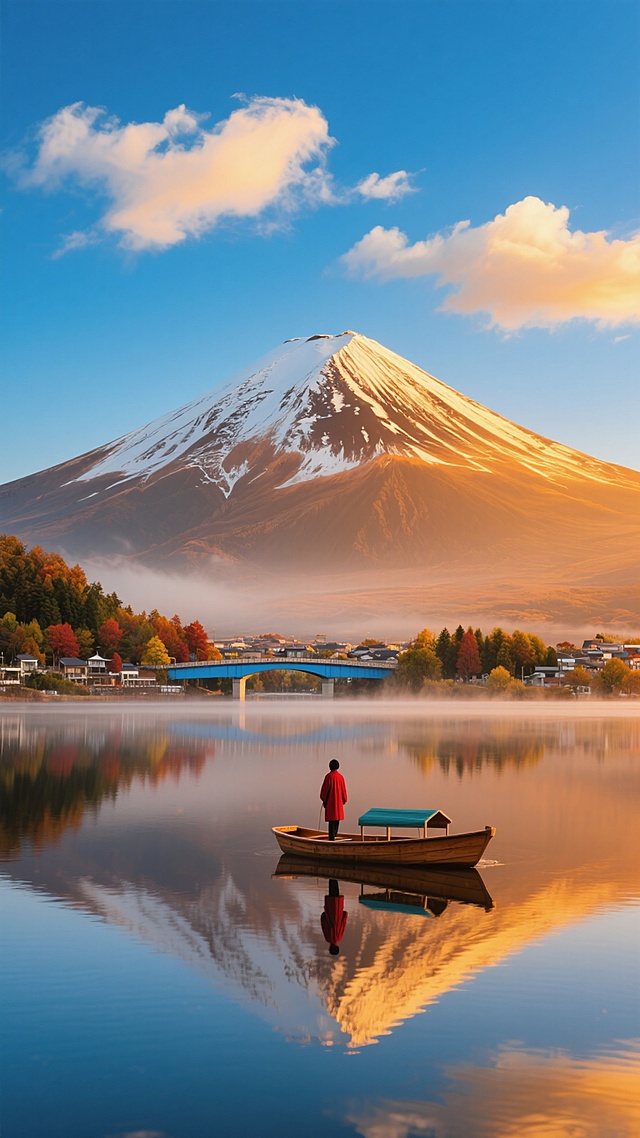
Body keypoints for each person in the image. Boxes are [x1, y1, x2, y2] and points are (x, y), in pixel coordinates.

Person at [320, 758, 347, 841]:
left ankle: (331, 840)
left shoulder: (328, 777)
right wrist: (344, 801)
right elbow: (344, 793)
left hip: (330, 805)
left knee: (331, 824)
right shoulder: (341, 777)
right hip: (339, 805)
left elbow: (323, 793)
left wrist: (324, 800)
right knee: (336, 823)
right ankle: (335, 838)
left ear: (330, 767)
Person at [321, 879, 348, 955]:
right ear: (330, 948)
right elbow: (324, 923)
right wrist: (324, 915)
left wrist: (344, 915)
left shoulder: (339, 937)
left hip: (338, 909)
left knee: (335, 890)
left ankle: (334, 877)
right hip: (330, 909)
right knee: (332, 889)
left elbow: (343, 923)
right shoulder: (328, 938)